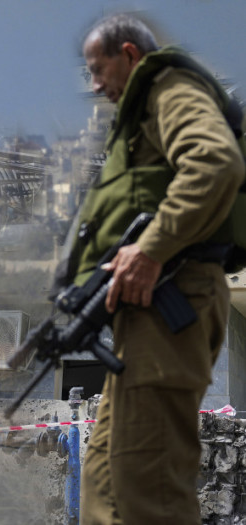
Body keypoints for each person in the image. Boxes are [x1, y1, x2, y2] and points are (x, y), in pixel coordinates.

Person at [74, 14, 245, 523]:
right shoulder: (142, 110)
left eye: (98, 69)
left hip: (173, 301)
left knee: (149, 490)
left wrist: (149, 250)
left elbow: (216, 163)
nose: (95, 84)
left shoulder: (169, 88)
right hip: (144, 315)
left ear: (129, 55)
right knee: (108, 480)